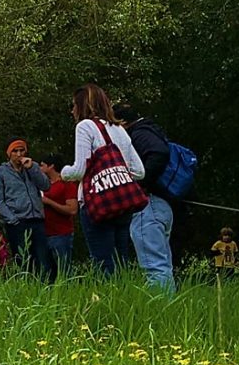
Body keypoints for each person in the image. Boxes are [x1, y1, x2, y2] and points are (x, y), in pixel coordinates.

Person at [60, 84, 145, 277]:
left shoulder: (85, 127)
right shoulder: (119, 129)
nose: (72, 110)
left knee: (103, 263)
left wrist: (63, 172)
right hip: (123, 204)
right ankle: (125, 300)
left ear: (82, 105)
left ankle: (107, 302)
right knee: (120, 259)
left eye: (74, 105)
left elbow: (79, 170)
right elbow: (139, 172)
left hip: (97, 204)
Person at [114, 104, 177, 293]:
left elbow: (159, 153)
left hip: (148, 205)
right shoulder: (151, 130)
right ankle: (168, 308)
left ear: (122, 122)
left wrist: (140, 184)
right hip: (161, 205)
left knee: (154, 266)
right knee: (162, 264)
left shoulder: (139, 134)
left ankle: (160, 312)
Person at [0, 138, 52, 280]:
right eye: (15, 151)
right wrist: (12, 219)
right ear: (9, 154)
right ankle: (27, 286)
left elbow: (46, 186)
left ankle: (47, 287)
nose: (19, 154)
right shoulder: (1, 172)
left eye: (22, 150)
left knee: (43, 258)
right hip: (17, 222)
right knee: (23, 259)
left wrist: (32, 169)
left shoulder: (33, 167)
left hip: (36, 219)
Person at [39, 154, 78, 282]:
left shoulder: (66, 184)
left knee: (64, 270)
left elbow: (72, 209)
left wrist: (49, 202)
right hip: (45, 233)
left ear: (51, 166)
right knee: (47, 271)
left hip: (61, 233)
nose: (39, 168)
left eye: (42, 165)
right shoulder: (42, 185)